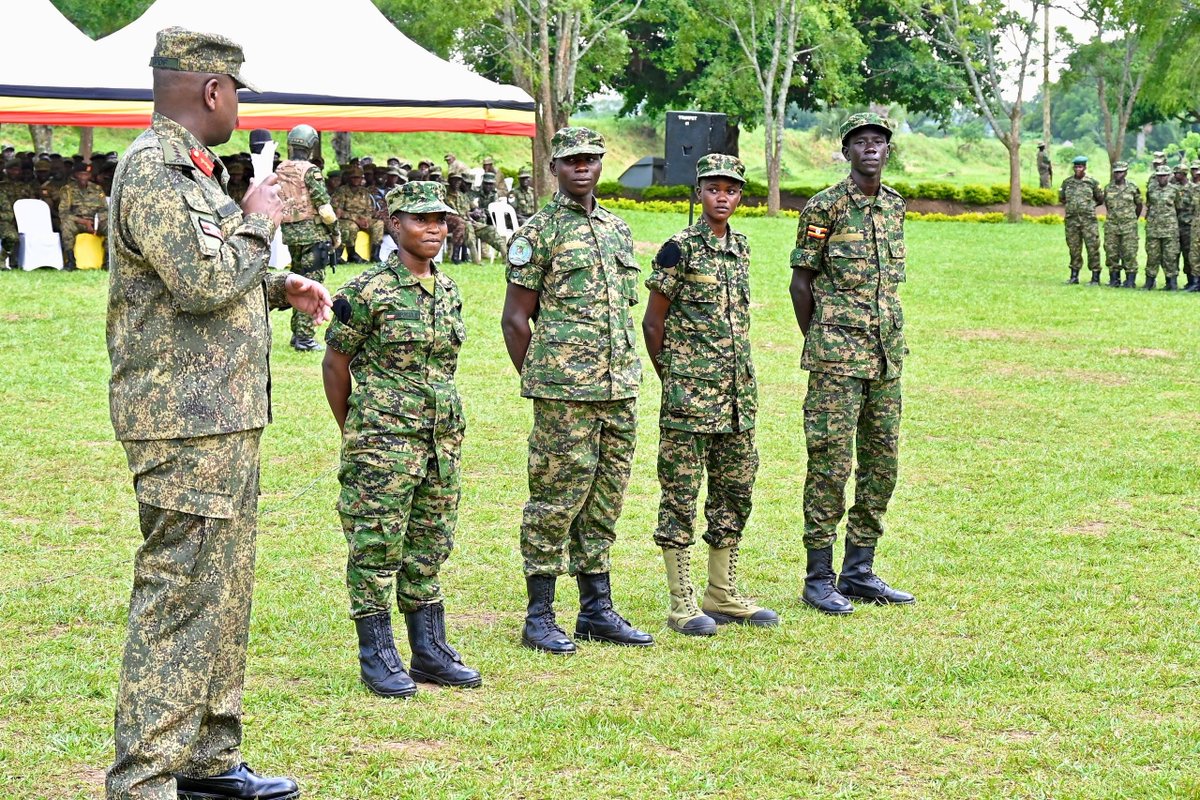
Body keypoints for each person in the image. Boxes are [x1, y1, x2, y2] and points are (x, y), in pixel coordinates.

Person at [104, 27, 331, 800]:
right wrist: (260, 216)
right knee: (180, 598)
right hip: (184, 423)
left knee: (223, 593)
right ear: (212, 91)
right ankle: (144, 780)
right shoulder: (155, 172)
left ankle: (207, 761)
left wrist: (276, 288)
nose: (238, 106)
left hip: (222, 417)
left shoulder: (193, 177)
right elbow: (200, 283)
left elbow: (201, 279)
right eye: (235, 91)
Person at [322, 181, 481, 696]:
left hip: (440, 440)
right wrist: (357, 431)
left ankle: (429, 651)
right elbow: (336, 362)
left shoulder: (449, 289)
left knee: (430, 542)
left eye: (440, 220)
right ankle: (378, 654)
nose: (433, 228)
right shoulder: (367, 291)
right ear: (394, 224)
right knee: (375, 545)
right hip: (383, 442)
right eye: (419, 219)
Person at [500, 126, 653, 654]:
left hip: (619, 389)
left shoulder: (616, 228)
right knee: (555, 500)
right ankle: (539, 614)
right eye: (571, 161)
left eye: (590, 159)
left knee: (605, 499)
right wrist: (543, 380)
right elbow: (516, 319)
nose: (581, 168)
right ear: (555, 169)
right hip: (564, 394)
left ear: (601, 163)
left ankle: (596, 610)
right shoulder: (538, 232)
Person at [641, 153, 779, 637]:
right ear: (698, 193)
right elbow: (653, 322)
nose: (723, 197)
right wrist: (675, 379)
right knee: (679, 495)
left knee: (735, 490)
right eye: (714, 188)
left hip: (739, 397)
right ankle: (682, 602)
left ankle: (721, 592)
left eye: (732, 190)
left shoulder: (740, 247)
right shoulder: (678, 249)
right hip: (690, 399)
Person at [788, 112, 915, 616]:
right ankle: (819, 577)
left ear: (888, 152)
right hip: (837, 362)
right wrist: (822, 340)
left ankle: (859, 570)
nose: (870, 149)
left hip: (885, 358)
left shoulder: (895, 207)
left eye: (878, 142)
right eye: (860, 142)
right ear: (846, 152)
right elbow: (801, 283)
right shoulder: (825, 207)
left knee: (882, 464)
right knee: (830, 465)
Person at [276, 123, 340, 351]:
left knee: (299, 281)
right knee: (310, 285)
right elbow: (324, 207)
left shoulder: (281, 168)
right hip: (313, 236)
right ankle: (304, 337)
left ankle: (297, 335)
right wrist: (336, 232)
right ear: (312, 145)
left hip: (291, 234)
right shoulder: (310, 170)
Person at [1059, 155, 1104, 285]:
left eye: (1081, 166)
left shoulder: (1092, 182)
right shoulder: (1067, 183)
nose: (1078, 169)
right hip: (1072, 222)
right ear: (1073, 168)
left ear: (1085, 167)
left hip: (1088, 222)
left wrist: (1089, 207)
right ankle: (1074, 276)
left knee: (1093, 249)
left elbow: (1100, 199)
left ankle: (1095, 277)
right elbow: (1062, 198)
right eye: (1076, 166)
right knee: (1074, 249)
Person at [58, 163, 108, 270]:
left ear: (90, 175)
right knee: (66, 225)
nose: (83, 177)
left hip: (96, 223)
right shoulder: (68, 190)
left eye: (86, 174)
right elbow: (63, 213)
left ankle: (108, 262)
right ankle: (70, 262)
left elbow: (105, 210)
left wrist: (96, 221)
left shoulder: (97, 189)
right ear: (75, 175)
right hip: (78, 223)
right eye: (81, 174)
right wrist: (83, 222)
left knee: (110, 227)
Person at [332, 165, 384, 263]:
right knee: (351, 227)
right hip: (347, 220)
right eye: (353, 177)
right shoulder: (341, 191)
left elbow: (369, 209)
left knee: (378, 224)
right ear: (349, 178)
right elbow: (338, 212)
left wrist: (366, 220)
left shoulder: (364, 192)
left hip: (363, 219)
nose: (356, 180)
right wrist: (355, 218)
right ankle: (351, 254)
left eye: (359, 177)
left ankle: (375, 255)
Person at [1102, 161, 1142, 288]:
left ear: (1125, 173)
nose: (1118, 174)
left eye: (1121, 172)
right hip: (1112, 226)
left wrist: (1132, 219)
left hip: (1129, 226)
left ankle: (1130, 280)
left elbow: (1139, 205)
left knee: (1129, 253)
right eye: (1116, 172)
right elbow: (1108, 206)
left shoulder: (1132, 187)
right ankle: (1114, 279)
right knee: (1111, 252)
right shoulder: (1108, 188)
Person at [1144, 164, 1180, 290]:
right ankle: (1149, 282)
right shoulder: (1151, 189)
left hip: (1170, 230)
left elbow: (1179, 206)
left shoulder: (1174, 190)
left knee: (1170, 257)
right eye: (1159, 176)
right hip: (1153, 229)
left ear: (1169, 176)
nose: (1162, 178)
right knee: (1152, 256)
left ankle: (1171, 283)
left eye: (1164, 176)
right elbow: (1148, 205)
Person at [1173, 162, 1194, 289]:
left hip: (1188, 227)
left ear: (1184, 174)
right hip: (1175, 226)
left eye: (1177, 173)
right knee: (1173, 254)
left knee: (1188, 255)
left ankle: (1191, 281)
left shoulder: (1193, 188)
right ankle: (1171, 282)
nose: (1175, 175)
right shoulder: (1174, 188)